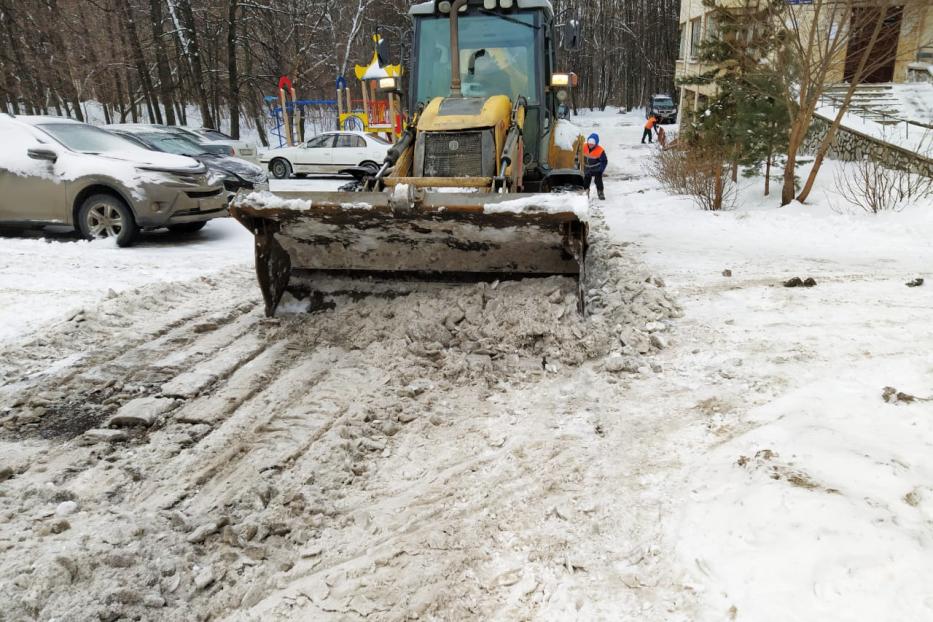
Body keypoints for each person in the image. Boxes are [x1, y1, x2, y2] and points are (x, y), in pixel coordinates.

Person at [583, 133, 608, 200]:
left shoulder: (600, 150)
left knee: (598, 181)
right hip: (587, 168)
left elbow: (604, 161)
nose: (590, 144)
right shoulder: (584, 147)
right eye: (589, 142)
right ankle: (586, 192)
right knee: (586, 181)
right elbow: (579, 155)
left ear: (596, 143)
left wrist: (601, 170)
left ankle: (600, 192)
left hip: (597, 169)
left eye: (592, 143)